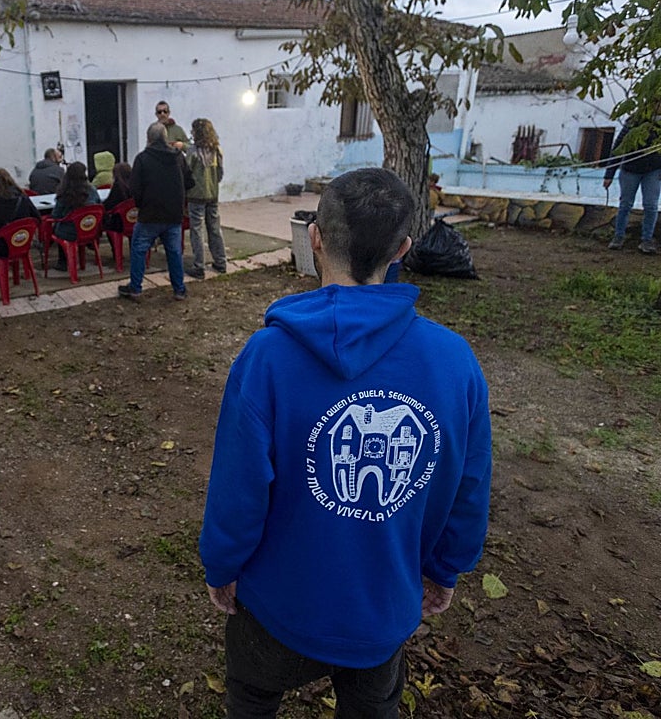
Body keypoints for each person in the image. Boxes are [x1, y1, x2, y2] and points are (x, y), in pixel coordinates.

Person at [199, 167, 492, 719]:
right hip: (382, 608)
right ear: (403, 247)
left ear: (314, 237)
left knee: (254, 699)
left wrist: (222, 564)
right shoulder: (454, 363)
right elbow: (469, 486)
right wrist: (446, 567)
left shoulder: (266, 359)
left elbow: (238, 488)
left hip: (277, 606)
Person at [119, 122, 193, 301]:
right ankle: (179, 289)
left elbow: (134, 188)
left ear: (149, 139)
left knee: (139, 250)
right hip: (173, 214)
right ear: (166, 138)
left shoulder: (143, 159)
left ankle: (135, 288)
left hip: (149, 214)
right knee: (174, 252)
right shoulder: (178, 157)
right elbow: (190, 182)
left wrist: (140, 205)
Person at [604, 110, 661, 254]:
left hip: (653, 170)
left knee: (651, 205)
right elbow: (617, 148)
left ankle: (647, 240)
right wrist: (609, 174)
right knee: (625, 204)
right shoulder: (632, 123)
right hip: (630, 170)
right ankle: (619, 237)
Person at [0, 168, 41, 287]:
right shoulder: (23, 197)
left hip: (3, 246)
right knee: (2, 238)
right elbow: (37, 218)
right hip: (23, 243)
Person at [186, 118, 228, 279]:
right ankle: (221, 262)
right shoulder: (217, 150)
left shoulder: (193, 151)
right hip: (213, 194)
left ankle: (199, 266)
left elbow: (186, 172)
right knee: (215, 228)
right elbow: (220, 173)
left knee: (197, 230)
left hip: (196, 195)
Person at [49, 162, 101, 270]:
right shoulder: (92, 190)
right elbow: (99, 205)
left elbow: (56, 215)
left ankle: (62, 262)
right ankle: (89, 246)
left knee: (57, 228)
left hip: (69, 232)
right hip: (90, 230)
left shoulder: (64, 193)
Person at [102, 162, 133, 233]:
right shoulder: (136, 185)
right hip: (135, 220)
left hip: (120, 223)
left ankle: (115, 244)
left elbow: (109, 205)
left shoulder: (118, 187)